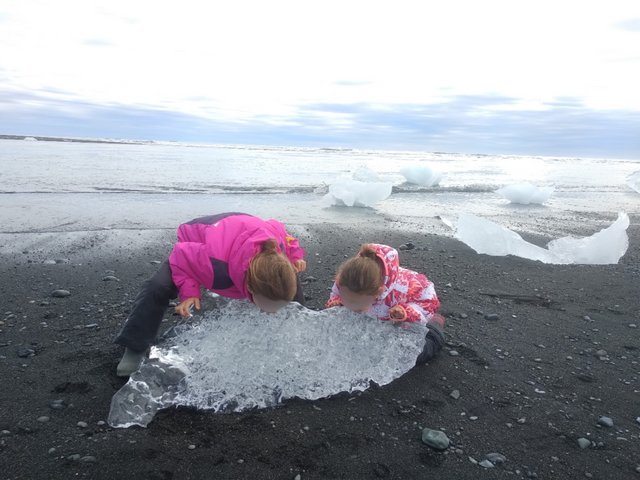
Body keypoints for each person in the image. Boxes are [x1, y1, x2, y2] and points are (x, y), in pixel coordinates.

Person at [114, 212, 307, 377]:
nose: (272, 312)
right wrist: (189, 292)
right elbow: (180, 256)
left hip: (245, 227)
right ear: (250, 289)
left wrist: (296, 257)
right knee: (157, 287)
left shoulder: (276, 248)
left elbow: (281, 231)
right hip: (198, 235)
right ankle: (135, 346)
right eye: (269, 307)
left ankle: (297, 331)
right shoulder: (215, 265)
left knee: (286, 283)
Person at [325, 243, 444, 364]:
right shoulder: (346, 281)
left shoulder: (406, 288)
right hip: (378, 318)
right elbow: (336, 294)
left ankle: (435, 326)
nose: (350, 305)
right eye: (347, 299)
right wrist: (337, 302)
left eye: (356, 303)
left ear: (378, 293)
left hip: (412, 314)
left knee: (412, 355)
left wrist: (406, 312)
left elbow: (428, 304)